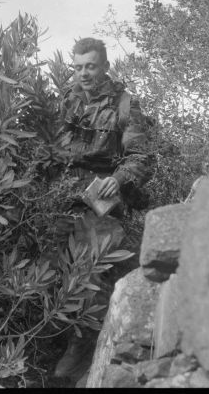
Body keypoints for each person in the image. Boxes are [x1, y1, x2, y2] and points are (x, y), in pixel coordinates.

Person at [52, 37, 154, 383]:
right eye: (78, 67)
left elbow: (140, 157)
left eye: (90, 66)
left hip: (101, 205)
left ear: (105, 67)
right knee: (52, 275)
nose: (83, 73)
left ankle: (79, 361)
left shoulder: (125, 104)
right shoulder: (66, 100)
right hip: (64, 199)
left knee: (88, 278)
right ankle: (60, 349)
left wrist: (118, 178)